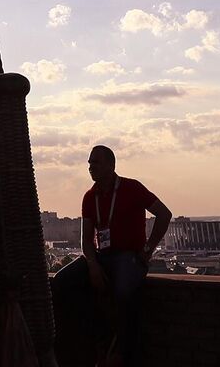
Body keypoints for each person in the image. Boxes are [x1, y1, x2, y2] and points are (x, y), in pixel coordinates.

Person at [74, 144, 172, 366]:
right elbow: (86, 240)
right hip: (102, 258)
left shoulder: (132, 188)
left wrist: (147, 250)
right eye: (89, 163)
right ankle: (90, 345)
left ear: (111, 165)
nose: (91, 167)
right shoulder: (90, 197)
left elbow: (164, 214)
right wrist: (92, 265)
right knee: (63, 282)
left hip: (129, 257)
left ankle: (122, 352)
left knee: (123, 292)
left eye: (96, 162)